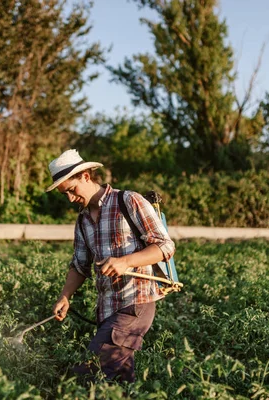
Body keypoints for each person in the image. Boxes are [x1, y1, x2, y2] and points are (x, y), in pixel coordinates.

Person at [46, 149, 175, 383]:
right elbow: (80, 265)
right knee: (119, 384)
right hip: (106, 311)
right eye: (65, 194)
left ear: (86, 176)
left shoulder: (128, 200)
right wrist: (65, 296)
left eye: (72, 190)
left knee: (88, 374)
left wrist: (125, 261)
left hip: (136, 304)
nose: (70, 199)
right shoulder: (83, 220)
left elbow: (165, 246)